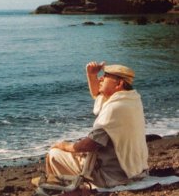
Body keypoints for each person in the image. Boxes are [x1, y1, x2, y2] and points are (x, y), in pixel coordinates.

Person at [45, 61, 149, 189]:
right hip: (135, 170)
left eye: (105, 77)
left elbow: (89, 145)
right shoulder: (131, 99)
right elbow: (98, 95)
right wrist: (91, 75)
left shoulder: (114, 108)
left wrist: (63, 145)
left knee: (54, 154)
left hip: (112, 177)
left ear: (119, 84)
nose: (101, 78)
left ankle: (66, 188)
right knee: (74, 151)